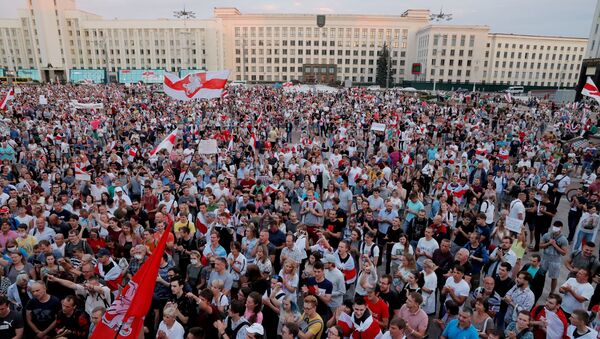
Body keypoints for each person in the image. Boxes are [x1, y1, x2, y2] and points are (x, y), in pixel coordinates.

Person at [538, 222, 567, 295]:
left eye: (557, 227)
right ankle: (538, 288)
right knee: (541, 275)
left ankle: (552, 292)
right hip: (545, 258)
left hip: (555, 260)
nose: (555, 229)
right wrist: (548, 243)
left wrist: (554, 245)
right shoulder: (547, 235)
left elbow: (564, 253)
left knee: (554, 277)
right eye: (554, 227)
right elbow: (540, 246)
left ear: (561, 228)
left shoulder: (563, 239)